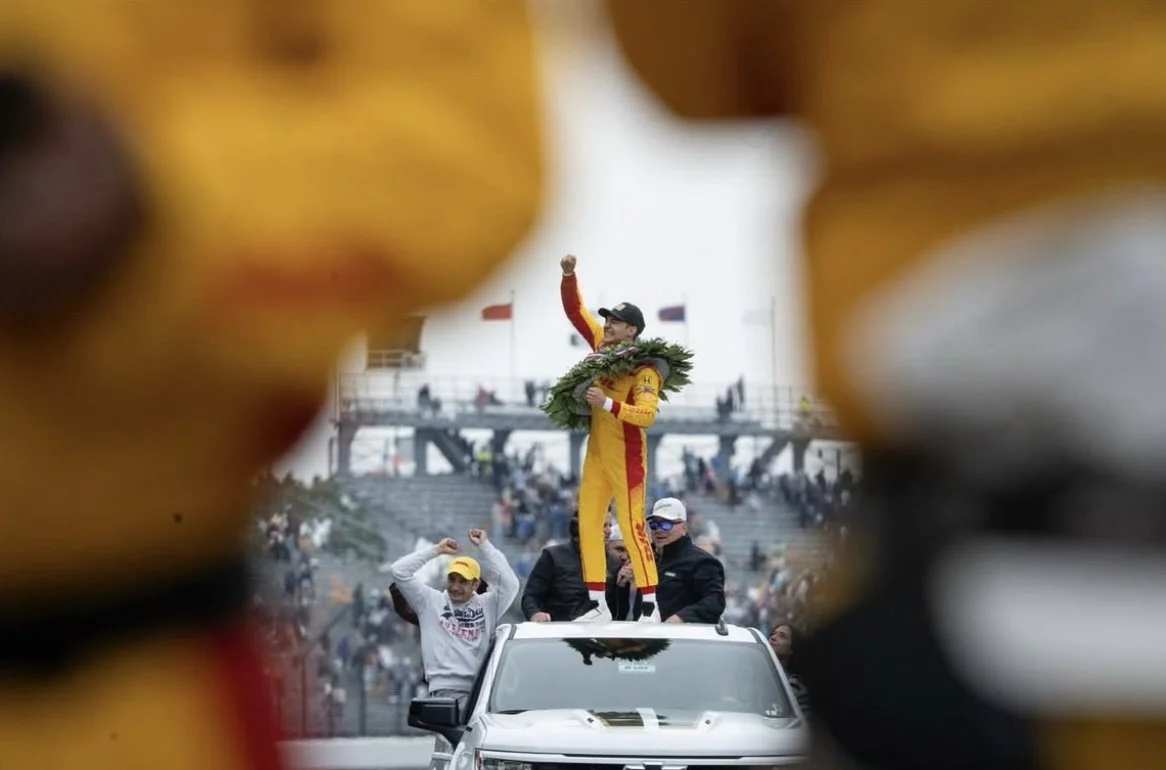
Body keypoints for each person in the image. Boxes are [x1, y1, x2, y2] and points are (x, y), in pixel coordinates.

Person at [559, 253, 662, 622]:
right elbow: (576, 312)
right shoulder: (601, 349)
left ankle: (651, 605)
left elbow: (647, 416)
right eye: (607, 319)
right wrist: (569, 275)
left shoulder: (646, 368)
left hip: (628, 459)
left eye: (616, 321)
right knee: (588, 523)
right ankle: (597, 605)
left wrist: (607, 404)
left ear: (632, 330)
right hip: (597, 456)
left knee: (633, 527)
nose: (608, 324)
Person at [387, 529, 518, 712]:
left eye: (463, 581)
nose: (455, 587)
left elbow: (511, 584)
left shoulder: (488, 605)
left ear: (475, 584)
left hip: (482, 690)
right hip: (446, 693)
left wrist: (484, 546)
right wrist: (437, 550)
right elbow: (398, 570)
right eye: (452, 579)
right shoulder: (430, 602)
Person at [521, 514, 623, 622]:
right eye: (603, 525)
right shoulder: (553, 556)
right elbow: (531, 595)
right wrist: (535, 613)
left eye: (609, 525)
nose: (608, 531)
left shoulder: (614, 562)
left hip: (598, 631)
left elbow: (619, 609)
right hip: (558, 630)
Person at [646, 498, 725, 624]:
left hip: (683, 638)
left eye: (667, 524)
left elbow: (715, 601)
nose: (659, 530)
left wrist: (681, 617)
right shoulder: (644, 559)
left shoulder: (701, 562)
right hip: (641, 635)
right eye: (654, 525)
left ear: (684, 527)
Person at [769, 623, 811, 715]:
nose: (773, 638)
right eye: (773, 633)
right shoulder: (754, 674)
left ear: (792, 649)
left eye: (782, 636)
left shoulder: (795, 686)